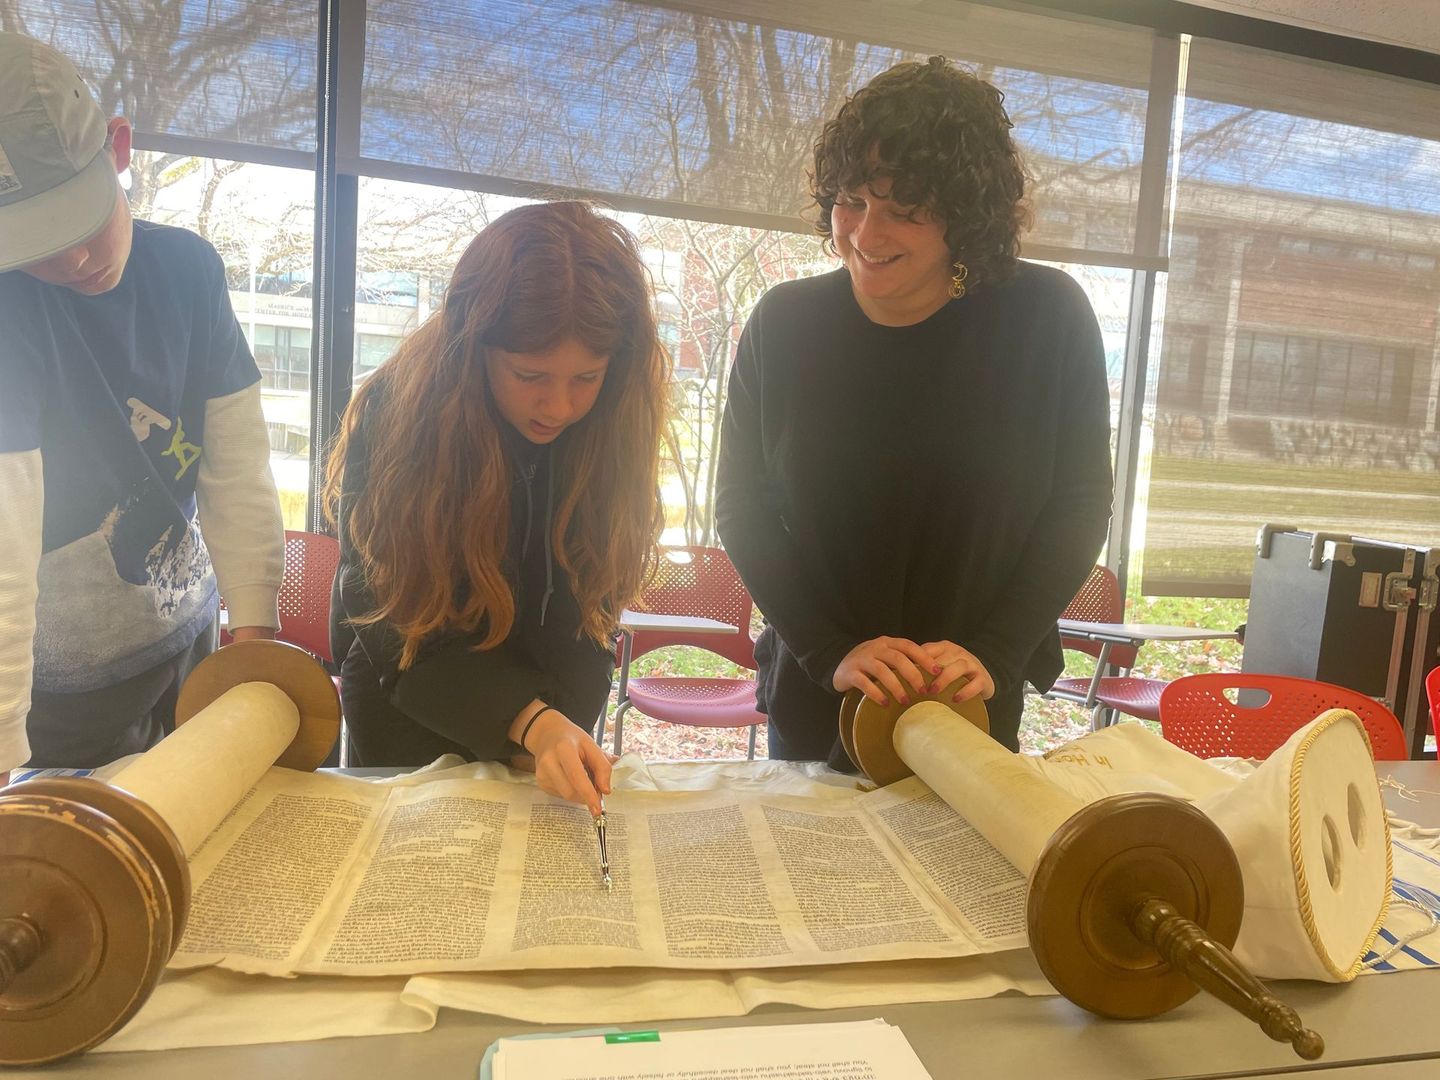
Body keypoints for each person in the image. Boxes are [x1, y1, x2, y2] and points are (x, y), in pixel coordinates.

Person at [716, 56, 1113, 766]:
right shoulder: (784, 325)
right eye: (852, 200)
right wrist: (832, 650)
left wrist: (995, 650)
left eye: (906, 211)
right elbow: (741, 508)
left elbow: (1079, 502)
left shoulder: (1047, 320)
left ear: (966, 218)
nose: (866, 235)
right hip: (820, 689)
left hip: (968, 695)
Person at [0, 32, 284, 785]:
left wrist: (253, 636)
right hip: (57, 689)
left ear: (118, 149)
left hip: (183, 637)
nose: (69, 263)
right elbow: (4, 530)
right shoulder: (8, 309)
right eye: (32, 246)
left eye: (80, 223)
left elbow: (237, 465)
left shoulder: (188, 270)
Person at [325, 201, 669, 815]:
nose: (558, 407)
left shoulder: (613, 424)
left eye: (585, 378)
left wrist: (551, 723)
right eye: (529, 374)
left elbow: (591, 603)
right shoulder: (398, 413)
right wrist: (528, 720)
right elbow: (388, 617)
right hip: (411, 707)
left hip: (547, 723)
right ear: (473, 344)